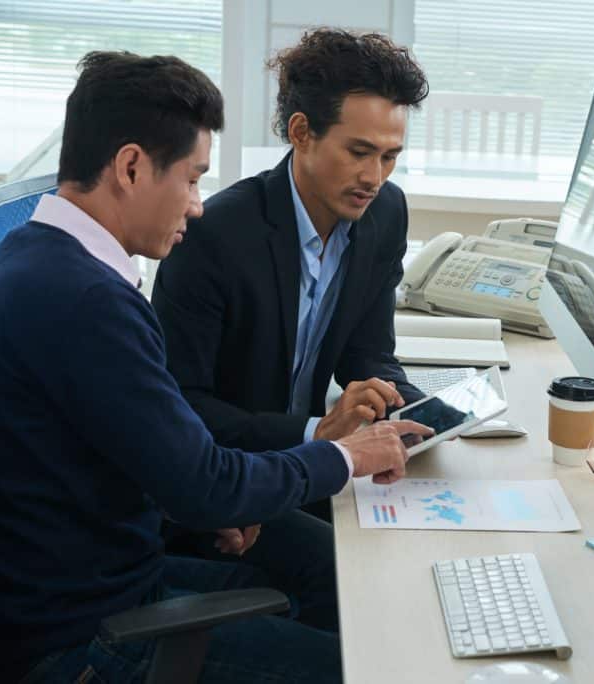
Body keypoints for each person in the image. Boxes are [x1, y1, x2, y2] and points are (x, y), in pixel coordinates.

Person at [0, 51, 430, 683]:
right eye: (193, 178)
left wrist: (214, 499)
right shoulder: (91, 302)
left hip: (75, 582)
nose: (198, 205)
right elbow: (202, 480)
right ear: (129, 167)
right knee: (377, 664)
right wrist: (348, 455)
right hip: (80, 639)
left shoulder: (15, 263)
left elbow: (136, 458)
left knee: (334, 588)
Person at [150, 29, 429, 579]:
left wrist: (416, 413)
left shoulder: (384, 214)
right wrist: (316, 433)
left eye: (390, 157)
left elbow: (368, 355)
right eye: (359, 152)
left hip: (312, 463)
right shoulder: (214, 236)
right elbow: (183, 405)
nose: (374, 177)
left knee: (420, 551)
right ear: (301, 133)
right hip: (231, 484)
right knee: (368, 579)